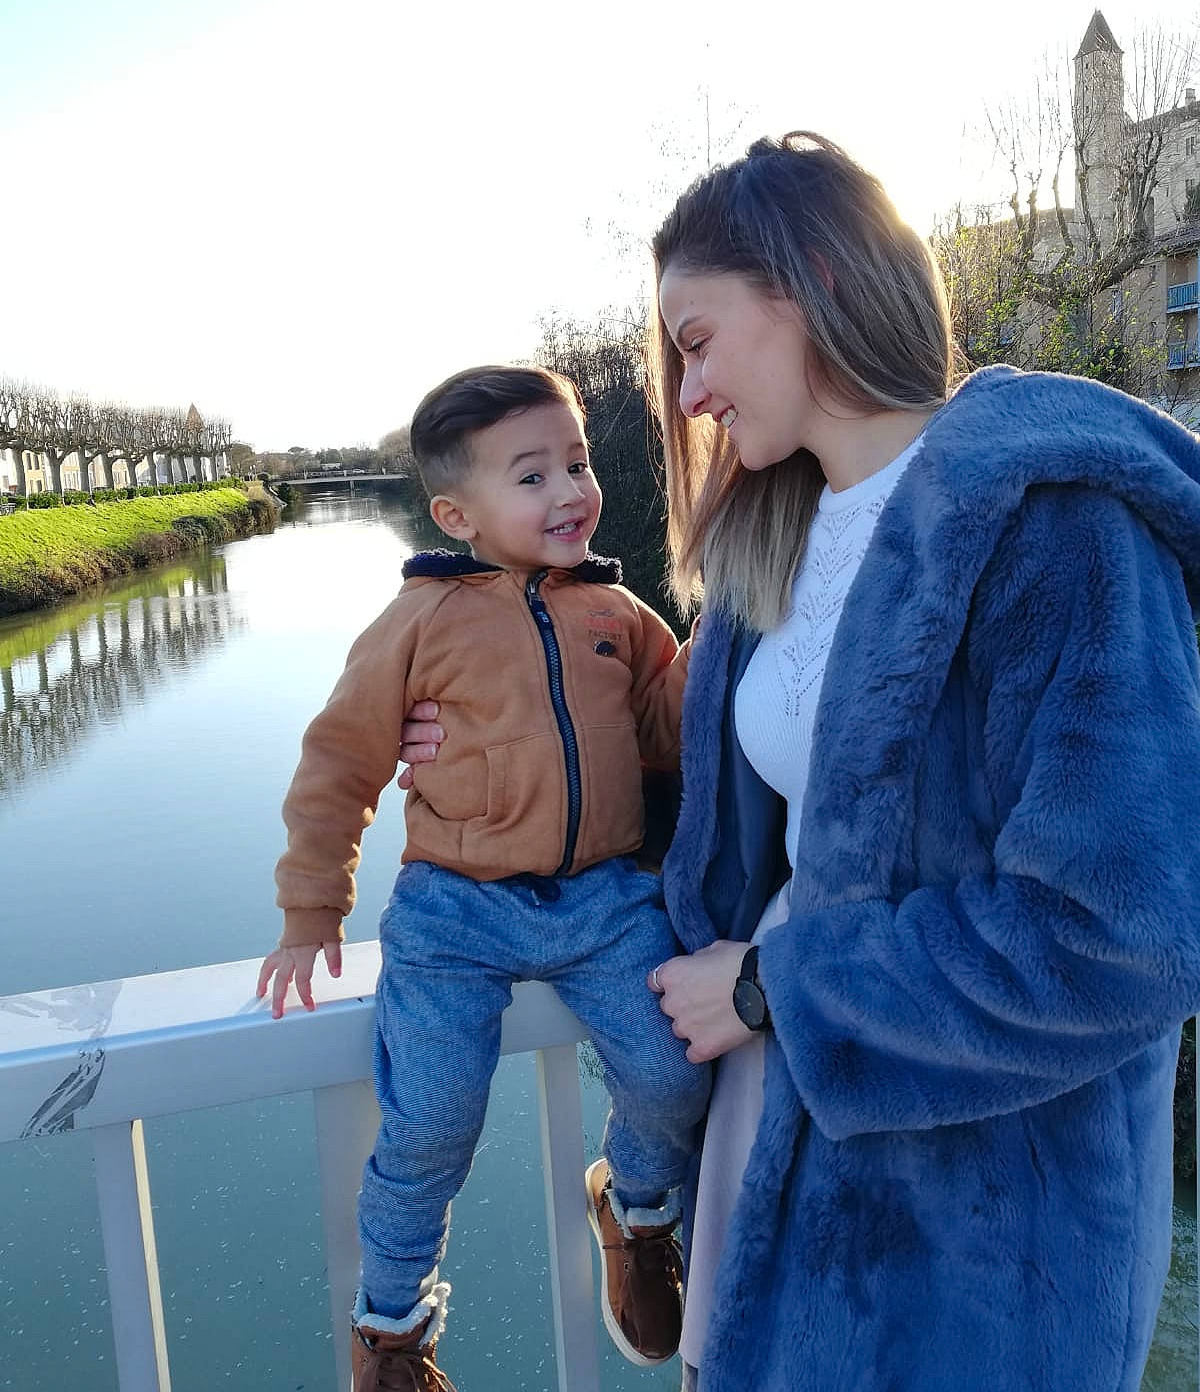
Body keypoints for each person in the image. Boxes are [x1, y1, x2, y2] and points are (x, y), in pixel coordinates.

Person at [399, 134, 1200, 1391]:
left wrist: (784, 987)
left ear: (813, 277)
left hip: (981, 1222)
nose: (687, 392)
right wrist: (490, 755)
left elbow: (1123, 936)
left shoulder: (1060, 526)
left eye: (698, 338)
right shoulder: (774, 542)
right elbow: (732, 815)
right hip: (770, 1134)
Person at [257, 365, 708, 1392]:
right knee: (432, 1117)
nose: (570, 492)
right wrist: (308, 908)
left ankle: (636, 1210)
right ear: (457, 513)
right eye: (533, 475)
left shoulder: (618, 611)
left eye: (579, 464)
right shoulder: (418, 621)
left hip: (601, 901)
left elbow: (665, 735)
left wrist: (712, 634)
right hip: (455, 909)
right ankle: (391, 1330)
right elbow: (339, 761)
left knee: (673, 1073)